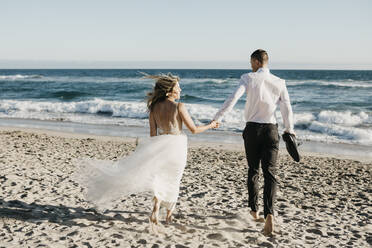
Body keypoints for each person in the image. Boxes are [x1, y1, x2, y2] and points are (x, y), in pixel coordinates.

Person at [74, 73, 218, 228]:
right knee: (174, 180)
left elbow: (152, 134)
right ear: (169, 92)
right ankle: (168, 217)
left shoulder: (154, 108)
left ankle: (156, 207)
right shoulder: (179, 106)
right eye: (178, 87)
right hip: (177, 146)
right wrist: (211, 125)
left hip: (160, 144)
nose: (180, 90)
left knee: (160, 177)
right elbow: (194, 130)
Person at [213, 49, 295, 235]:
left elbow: (233, 98)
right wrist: (290, 130)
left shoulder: (248, 78)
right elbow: (287, 109)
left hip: (252, 130)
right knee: (271, 174)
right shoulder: (279, 82)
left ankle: (253, 210)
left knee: (253, 170)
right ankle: (270, 215)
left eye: (251, 62)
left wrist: (218, 117)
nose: (250, 65)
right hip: (271, 130)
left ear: (256, 61)